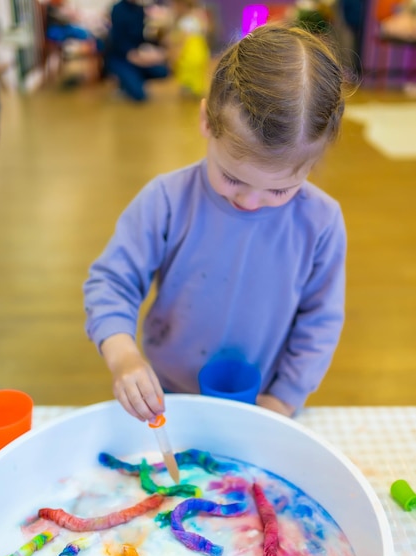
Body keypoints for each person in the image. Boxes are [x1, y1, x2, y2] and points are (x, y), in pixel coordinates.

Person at [83, 24, 347, 422]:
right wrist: (123, 356)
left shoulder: (321, 222)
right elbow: (112, 281)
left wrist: (284, 399)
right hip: (170, 394)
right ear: (206, 120)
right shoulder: (167, 200)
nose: (250, 201)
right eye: (234, 178)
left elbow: (320, 321)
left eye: (279, 190)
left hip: (265, 402)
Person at [105, 0, 169, 101]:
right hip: (120, 57)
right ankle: (124, 81)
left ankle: (134, 77)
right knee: (139, 95)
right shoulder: (118, 9)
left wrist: (153, 51)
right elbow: (117, 40)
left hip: (137, 53)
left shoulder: (140, 9)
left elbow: (141, 37)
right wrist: (136, 56)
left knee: (163, 71)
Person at [167, 0, 211, 97]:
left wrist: (174, 56)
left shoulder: (184, 21)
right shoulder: (198, 18)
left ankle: (189, 92)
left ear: (181, 5)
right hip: (200, 52)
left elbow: (183, 41)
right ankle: (195, 91)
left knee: (187, 75)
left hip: (189, 54)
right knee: (197, 76)